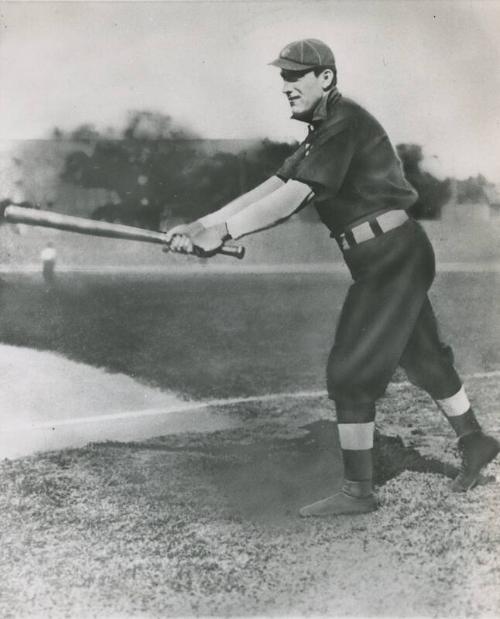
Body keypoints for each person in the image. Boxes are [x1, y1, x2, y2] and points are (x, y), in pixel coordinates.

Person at [166, 39, 499, 516]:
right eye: (283, 76)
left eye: (295, 75)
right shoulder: (321, 130)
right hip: (385, 255)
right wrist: (202, 224)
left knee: (348, 373)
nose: (286, 86)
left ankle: (358, 492)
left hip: (390, 255)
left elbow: (293, 199)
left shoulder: (344, 123)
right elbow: (272, 186)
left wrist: (224, 230)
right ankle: (474, 440)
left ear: (325, 78)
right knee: (423, 356)